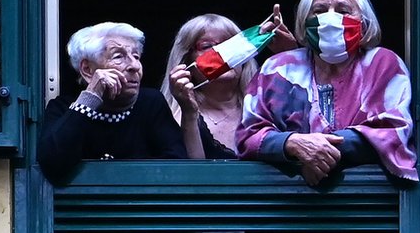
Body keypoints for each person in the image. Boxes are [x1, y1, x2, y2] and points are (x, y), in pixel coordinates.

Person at [235, 0, 419, 186]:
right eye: (319, 11)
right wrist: (293, 144)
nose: (330, 18)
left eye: (343, 10)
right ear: (305, 21)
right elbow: (248, 137)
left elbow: (391, 130)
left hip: (367, 199)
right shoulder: (277, 68)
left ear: (364, 22)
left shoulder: (382, 64)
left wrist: (318, 150)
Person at [38, 22, 186, 183]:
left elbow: (176, 167)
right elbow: (53, 165)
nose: (135, 66)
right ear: (87, 70)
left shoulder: (151, 103)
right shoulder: (62, 108)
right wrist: (90, 98)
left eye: (136, 56)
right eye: (118, 56)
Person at [160, 14, 259, 159]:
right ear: (186, 60)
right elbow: (194, 176)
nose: (222, 53)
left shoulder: (263, 108)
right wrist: (189, 114)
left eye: (231, 45)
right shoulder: (171, 119)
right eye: (207, 46)